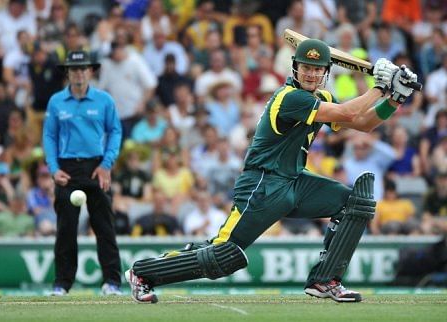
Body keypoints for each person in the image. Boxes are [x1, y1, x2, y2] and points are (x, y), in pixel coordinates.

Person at [125, 38, 418, 304]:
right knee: (222, 255)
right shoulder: (289, 98)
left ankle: (325, 280)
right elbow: (349, 113)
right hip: (262, 185)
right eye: (306, 68)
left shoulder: (322, 98)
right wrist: (380, 86)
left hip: (294, 182)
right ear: (295, 69)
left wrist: (395, 99)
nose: (312, 75)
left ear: (326, 72)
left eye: (318, 70)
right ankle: (143, 273)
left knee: (355, 201)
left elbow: (364, 123)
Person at [42, 50, 123, 296]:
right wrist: (54, 169)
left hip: (97, 167)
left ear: (91, 71)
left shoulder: (104, 100)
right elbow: (49, 136)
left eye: (83, 68)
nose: (79, 73)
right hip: (67, 168)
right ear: (67, 73)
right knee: (66, 228)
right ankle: (62, 284)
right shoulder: (56, 101)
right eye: (74, 69)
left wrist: (106, 164)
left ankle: (112, 282)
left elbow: (116, 132)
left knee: (104, 227)